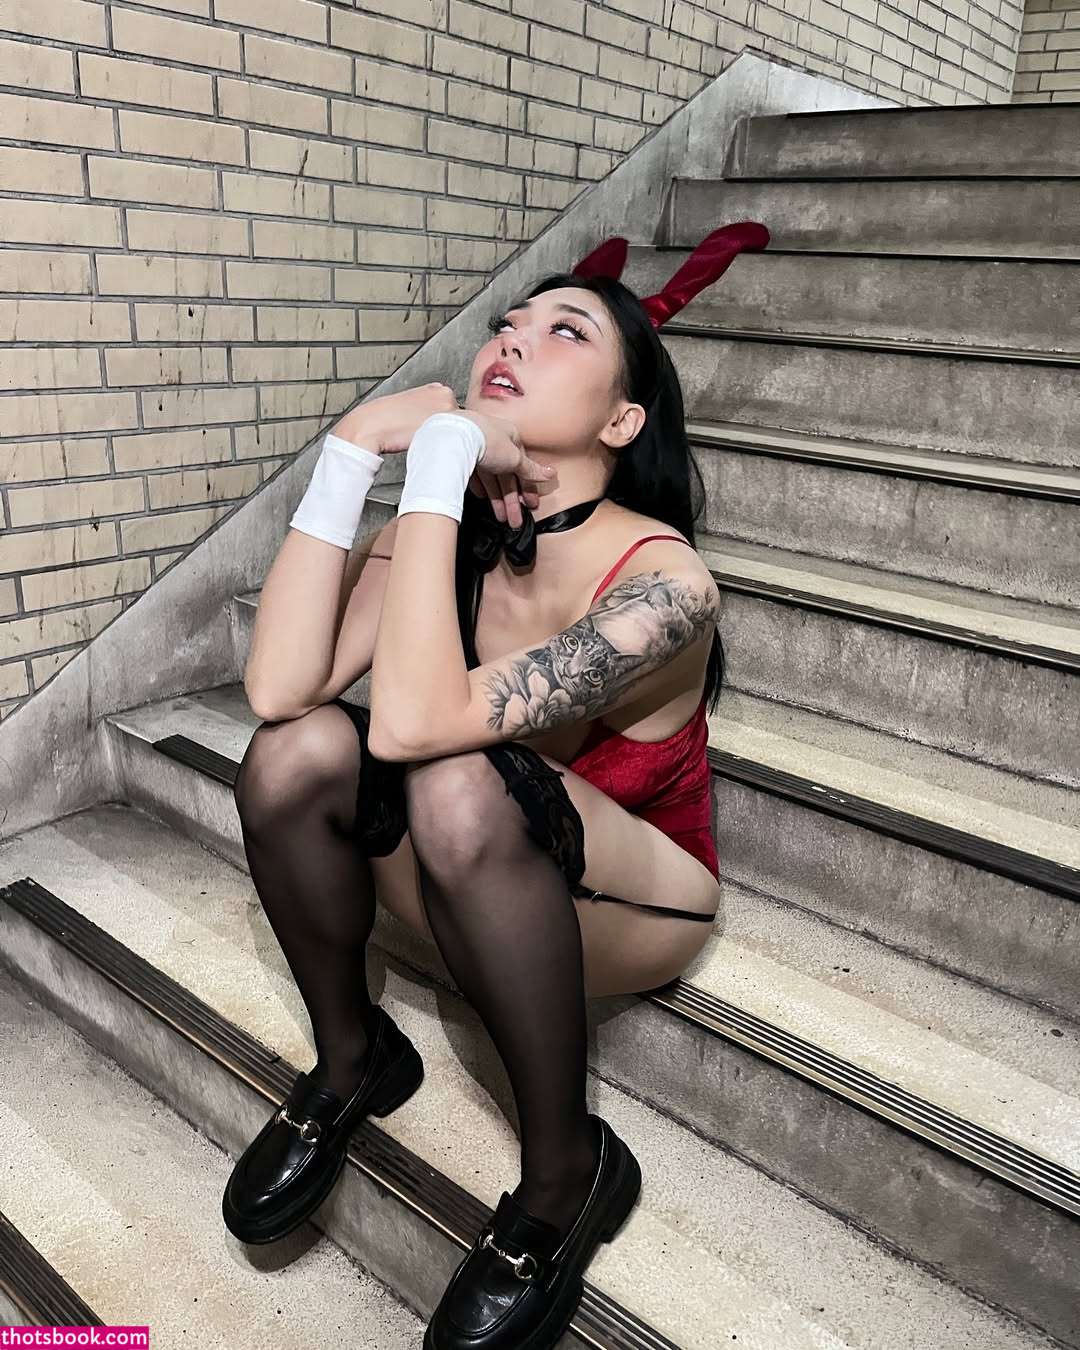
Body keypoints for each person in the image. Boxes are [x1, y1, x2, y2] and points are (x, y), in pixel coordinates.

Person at [222, 224, 767, 1350]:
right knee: (291, 754)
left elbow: (417, 725)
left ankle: (569, 1172)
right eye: (507, 325)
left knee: (455, 780)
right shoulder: (451, 532)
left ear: (623, 422)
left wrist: (441, 456)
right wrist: (353, 451)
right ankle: (353, 1058)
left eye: (564, 331)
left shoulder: (668, 583)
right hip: (464, 861)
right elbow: (278, 689)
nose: (511, 341)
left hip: (630, 900)